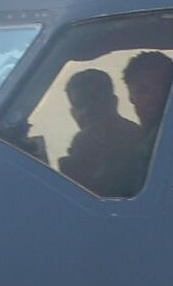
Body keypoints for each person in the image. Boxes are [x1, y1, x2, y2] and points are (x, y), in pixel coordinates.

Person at [56, 66, 150, 196]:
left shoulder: (139, 142)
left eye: (93, 100)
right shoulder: (83, 146)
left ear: (113, 101)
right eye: (79, 104)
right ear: (72, 112)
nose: (86, 111)